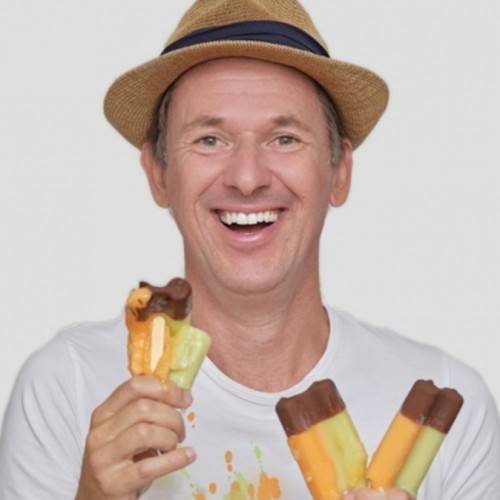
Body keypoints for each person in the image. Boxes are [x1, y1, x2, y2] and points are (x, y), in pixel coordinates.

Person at [1, 1, 499, 499]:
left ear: (339, 173)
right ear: (158, 175)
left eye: (284, 139)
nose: (246, 178)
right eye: (209, 139)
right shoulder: (67, 387)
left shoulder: (457, 408)